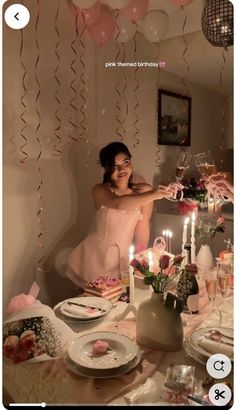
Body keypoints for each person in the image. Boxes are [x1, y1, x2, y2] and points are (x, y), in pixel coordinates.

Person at [65, 141, 180, 288]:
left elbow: (143, 226)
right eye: (115, 165)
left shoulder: (144, 191)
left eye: (125, 162)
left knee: (124, 298)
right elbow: (118, 203)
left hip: (125, 257)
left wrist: (141, 257)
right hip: (98, 255)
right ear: (106, 168)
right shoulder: (100, 190)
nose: (121, 169)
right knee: (96, 301)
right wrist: (154, 194)